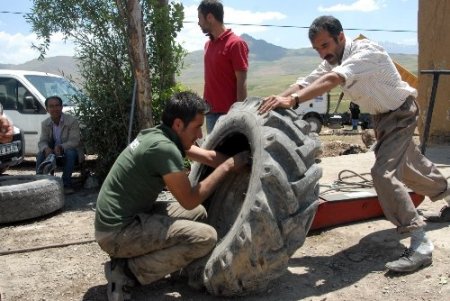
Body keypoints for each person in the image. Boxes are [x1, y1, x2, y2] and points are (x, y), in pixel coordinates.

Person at [259, 15, 450, 273]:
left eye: (325, 46)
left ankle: (420, 242)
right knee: (410, 167)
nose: (322, 55)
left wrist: (292, 102)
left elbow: (332, 80)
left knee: (383, 173)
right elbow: (306, 81)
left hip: (401, 114)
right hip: (382, 118)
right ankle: (445, 192)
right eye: (317, 49)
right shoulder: (332, 59)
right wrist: (274, 100)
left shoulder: (365, 52)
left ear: (340, 37)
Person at [94, 91, 249, 301]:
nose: (201, 135)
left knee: (198, 214)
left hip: (128, 217)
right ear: (178, 124)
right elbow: (189, 198)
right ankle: (126, 271)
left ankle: (163, 263)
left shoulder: (157, 135)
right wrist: (228, 166)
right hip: (116, 233)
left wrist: (247, 160)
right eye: (196, 127)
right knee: (205, 237)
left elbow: (210, 157)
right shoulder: (164, 149)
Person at [197, 0, 249, 133]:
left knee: (233, 152)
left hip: (229, 115)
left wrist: (239, 114)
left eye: (200, 18)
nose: (198, 23)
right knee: (214, 153)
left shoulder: (235, 44)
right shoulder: (208, 45)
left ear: (210, 17)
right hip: (210, 113)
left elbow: (241, 82)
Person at [36, 95, 84, 194]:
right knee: (40, 154)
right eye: (51, 106)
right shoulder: (45, 123)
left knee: (70, 153)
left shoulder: (71, 121)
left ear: (62, 107)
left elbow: (75, 141)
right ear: (47, 109)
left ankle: (66, 184)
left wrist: (62, 147)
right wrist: (46, 148)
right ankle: (39, 183)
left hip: (70, 152)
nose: (55, 109)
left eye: (57, 105)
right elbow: (42, 141)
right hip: (53, 153)